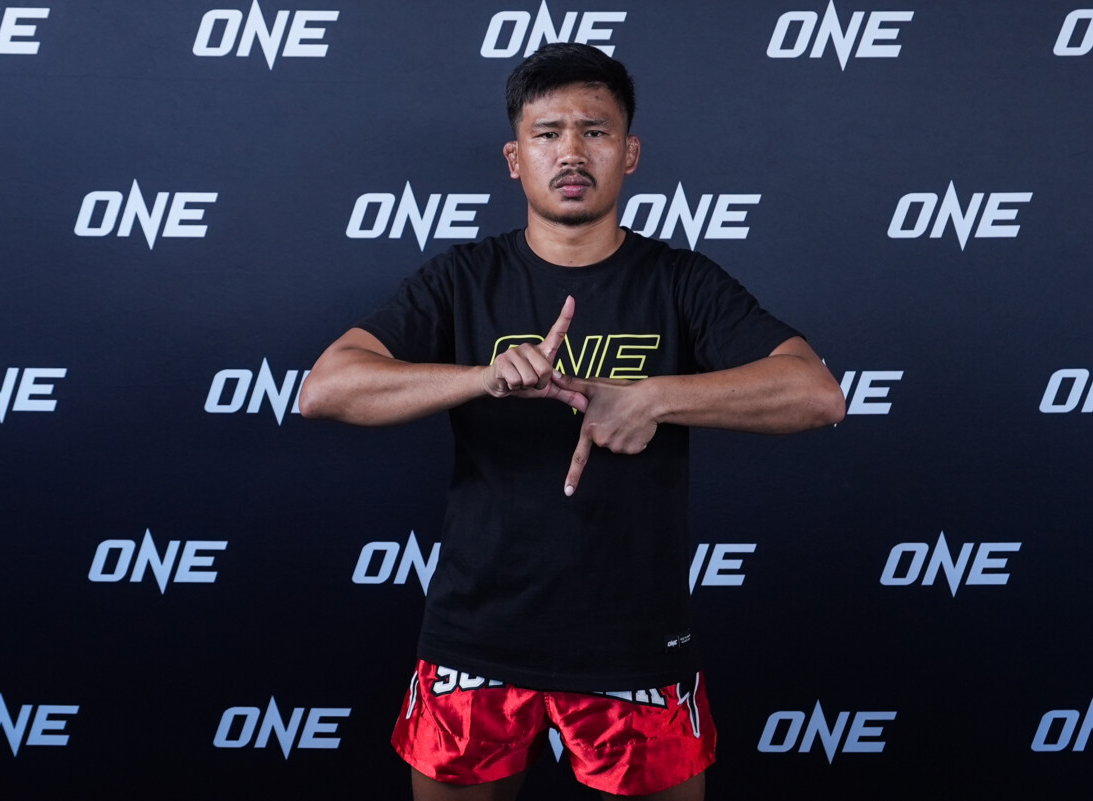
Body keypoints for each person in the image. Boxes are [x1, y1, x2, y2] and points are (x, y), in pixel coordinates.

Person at [300, 42, 844, 801]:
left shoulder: (679, 281)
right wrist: (482, 377)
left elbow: (816, 394)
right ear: (515, 158)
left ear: (630, 153)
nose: (572, 152)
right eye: (547, 133)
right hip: (477, 635)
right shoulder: (465, 277)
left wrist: (652, 397)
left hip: (634, 639)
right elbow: (326, 387)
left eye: (595, 131)